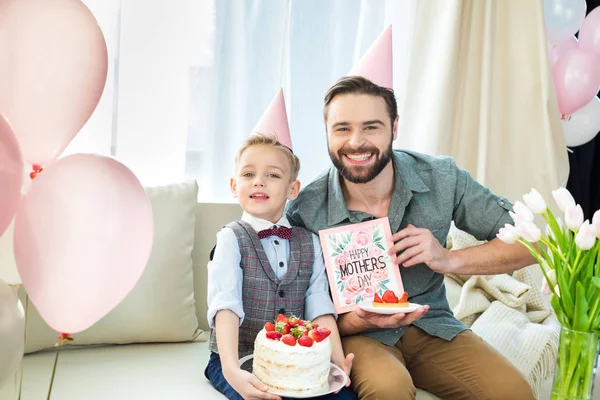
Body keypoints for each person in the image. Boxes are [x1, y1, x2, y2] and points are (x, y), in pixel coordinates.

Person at [286, 76, 537, 400]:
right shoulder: (305, 210)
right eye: (342, 128)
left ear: (395, 127)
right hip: (359, 336)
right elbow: (297, 307)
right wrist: (355, 321)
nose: (356, 142)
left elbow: (532, 244)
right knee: (389, 390)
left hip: (432, 324)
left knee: (513, 392)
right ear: (327, 133)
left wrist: (450, 259)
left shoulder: (442, 178)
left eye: (372, 127)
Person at [205, 133, 357, 400]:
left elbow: (319, 304)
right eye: (248, 174)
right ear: (233, 185)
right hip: (237, 358)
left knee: (345, 398)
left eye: (273, 175)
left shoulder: (310, 242)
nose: (259, 181)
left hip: (297, 367)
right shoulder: (231, 238)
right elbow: (225, 304)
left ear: (292, 189)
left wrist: (336, 360)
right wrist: (230, 369)